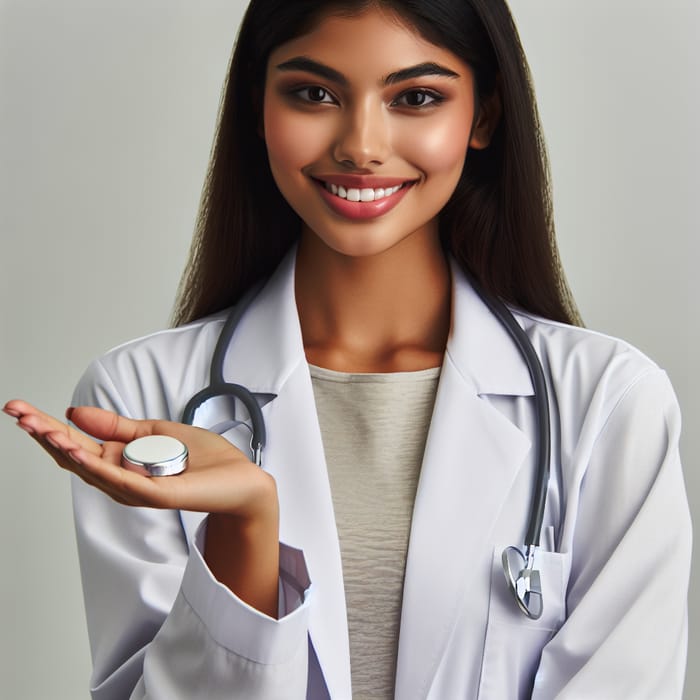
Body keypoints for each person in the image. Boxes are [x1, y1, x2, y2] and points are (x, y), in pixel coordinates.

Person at [3, 1, 691, 698]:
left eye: (417, 97)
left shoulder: (610, 405)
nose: (361, 144)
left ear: (483, 116)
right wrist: (245, 536)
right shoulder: (139, 398)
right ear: (257, 108)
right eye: (313, 94)